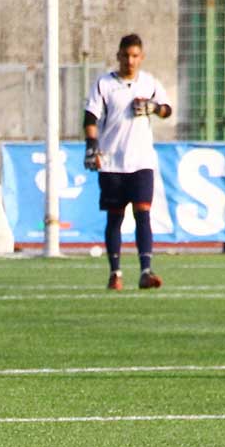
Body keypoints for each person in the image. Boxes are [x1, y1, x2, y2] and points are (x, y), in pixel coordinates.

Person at [83, 33, 172, 290]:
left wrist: (154, 108)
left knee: (143, 213)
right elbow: (90, 116)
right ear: (118, 56)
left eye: (135, 56)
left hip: (141, 160)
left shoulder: (149, 83)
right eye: (126, 56)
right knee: (115, 217)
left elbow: (167, 109)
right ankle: (115, 273)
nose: (130, 61)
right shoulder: (105, 84)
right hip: (112, 161)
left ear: (141, 57)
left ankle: (146, 271)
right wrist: (92, 146)